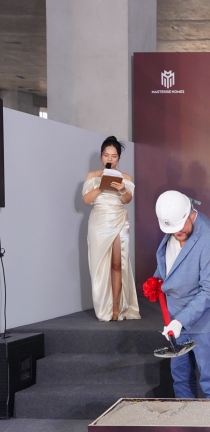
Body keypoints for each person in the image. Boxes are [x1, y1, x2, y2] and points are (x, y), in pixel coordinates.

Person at [154, 190, 210, 399]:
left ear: (191, 214)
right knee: (180, 376)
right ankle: (187, 417)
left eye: (181, 227)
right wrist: (157, 279)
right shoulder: (175, 223)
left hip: (206, 320)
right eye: (172, 229)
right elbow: (171, 262)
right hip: (177, 316)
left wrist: (180, 321)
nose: (177, 232)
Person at [81, 136, 140, 321]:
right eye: (106, 155)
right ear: (101, 155)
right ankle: (104, 307)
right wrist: (101, 186)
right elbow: (86, 200)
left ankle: (116, 306)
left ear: (118, 158)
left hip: (119, 218)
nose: (110, 159)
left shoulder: (126, 177)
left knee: (117, 263)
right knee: (99, 266)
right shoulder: (92, 176)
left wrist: (122, 189)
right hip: (98, 221)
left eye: (114, 156)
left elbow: (127, 200)